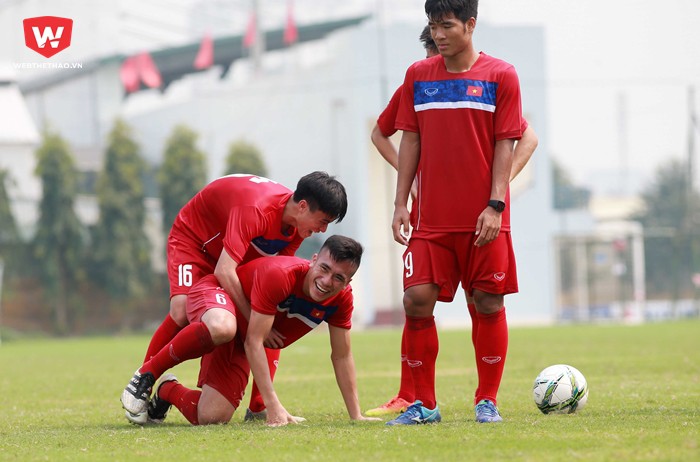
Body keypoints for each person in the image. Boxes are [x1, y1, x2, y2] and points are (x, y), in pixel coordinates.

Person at [367, 23, 538, 417]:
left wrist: (495, 195)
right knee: (416, 299)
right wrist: (407, 191)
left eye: (446, 27)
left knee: (485, 301)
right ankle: (420, 403)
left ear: (469, 25)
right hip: (432, 219)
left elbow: (520, 138)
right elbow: (391, 135)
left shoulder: (498, 76)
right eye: (434, 28)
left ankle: (487, 401)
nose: (439, 39)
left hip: (482, 216)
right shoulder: (418, 78)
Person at [121, 171, 347, 422]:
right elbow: (224, 271)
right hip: (195, 241)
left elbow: (268, 294)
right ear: (303, 206)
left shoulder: (294, 228)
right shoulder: (256, 209)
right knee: (182, 310)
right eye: (323, 221)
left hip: (229, 253)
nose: (323, 230)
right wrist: (251, 319)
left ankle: (259, 406)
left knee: (267, 309)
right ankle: (144, 379)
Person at [142, 235, 381, 426]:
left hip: (246, 334)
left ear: (348, 283)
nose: (327, 281)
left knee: (211, 416)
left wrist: (356, 414)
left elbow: (341, 355)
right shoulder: (281, 276)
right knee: (222, 327)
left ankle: (167, 389)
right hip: (219, 302)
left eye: (338, 277)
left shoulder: (342, 300)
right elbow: (255, 341)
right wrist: (274, 407)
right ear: (314, 259)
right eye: (324, 268)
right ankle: (147, 374)